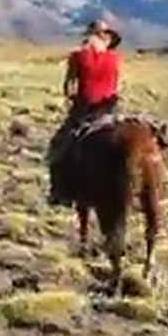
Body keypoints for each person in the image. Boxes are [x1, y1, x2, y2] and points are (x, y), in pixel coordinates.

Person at [47, 18, 124, 206]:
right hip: (111, 109)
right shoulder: (116, 58)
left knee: (58, 146)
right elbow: (119, 86)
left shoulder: (79, 56)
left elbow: (70, 87)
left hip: (86, 109)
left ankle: (60, 191)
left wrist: (71, 99)